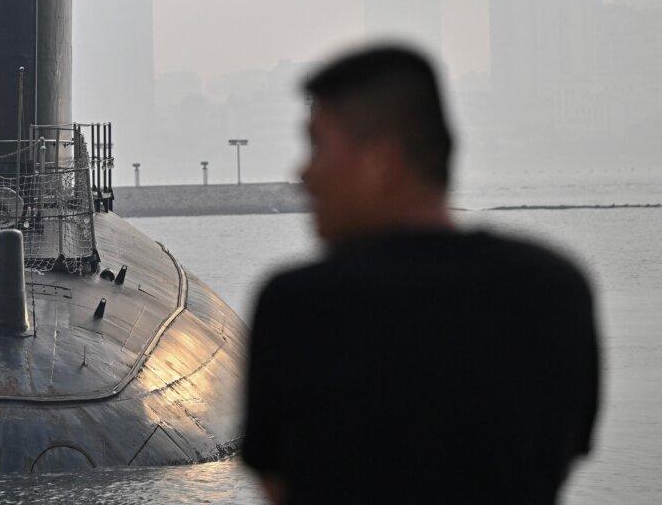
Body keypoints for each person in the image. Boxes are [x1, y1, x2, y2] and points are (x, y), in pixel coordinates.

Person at [243, 45, 600, 505]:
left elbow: (279, 487)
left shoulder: (296, 304)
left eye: (317, 145)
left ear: (381, 162)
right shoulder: (555, 289)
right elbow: (563, 455)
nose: (304, 173)